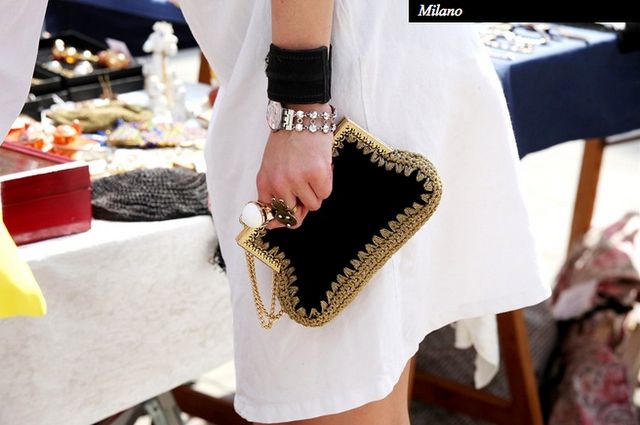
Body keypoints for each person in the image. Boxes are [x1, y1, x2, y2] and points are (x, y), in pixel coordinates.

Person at [188, 1, 554, 424]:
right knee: (369, 384)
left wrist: (299, 111)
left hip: (329, 86)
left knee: (329, 395)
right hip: (341, 64)